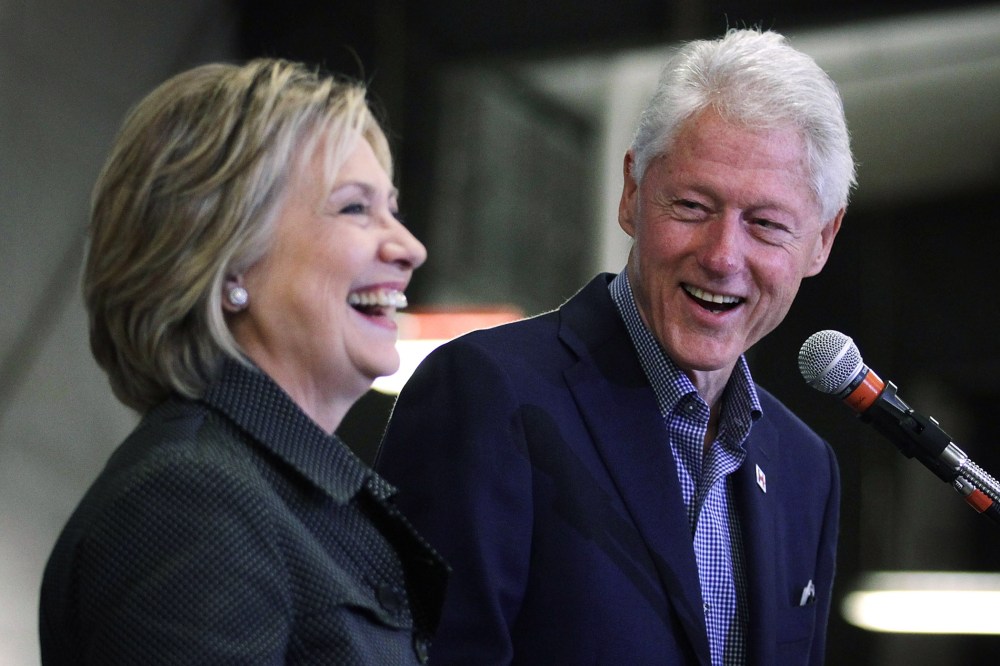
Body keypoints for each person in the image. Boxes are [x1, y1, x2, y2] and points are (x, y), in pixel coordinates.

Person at [375, 28, 854, 665]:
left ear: (821, 240)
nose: (721, 256)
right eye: (691, 205)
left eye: (766, 224)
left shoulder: (805, 467)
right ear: (632, 192)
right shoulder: (486, 395)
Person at [39, 58, 447, 664]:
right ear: (227, 256)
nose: (410, 248)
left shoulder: (264, 499)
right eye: (355, 209)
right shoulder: (190, 502)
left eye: (392, 208)